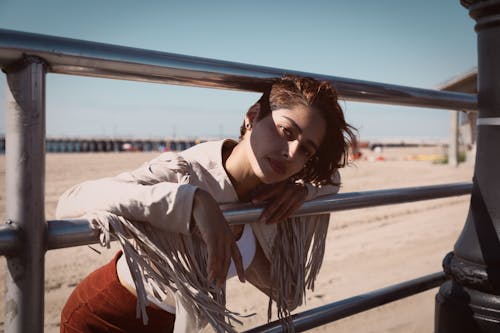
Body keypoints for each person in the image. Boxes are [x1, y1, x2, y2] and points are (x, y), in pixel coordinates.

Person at [56, 75, 356, 333]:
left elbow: (330, 181)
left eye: (305, 150)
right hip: (105, 317)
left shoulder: (273, 192)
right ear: (252, 117)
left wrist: (303, 191)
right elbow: (72, 200)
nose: (291, 153)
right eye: (285, 131)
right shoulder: (184, 172)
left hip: (175, 324)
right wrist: (192, 202)